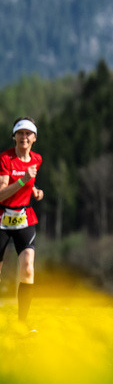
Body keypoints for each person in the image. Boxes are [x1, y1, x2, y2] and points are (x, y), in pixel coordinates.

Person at [0, 118, 45, 330]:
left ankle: (22, 324)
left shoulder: (37, 159)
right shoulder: (5, 159)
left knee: (28, 268)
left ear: (34, 138)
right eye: (20, 133)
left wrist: (34, 190)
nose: (24, 137)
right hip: (1, 218)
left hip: (24, 218)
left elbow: (30, 180)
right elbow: (1, 195)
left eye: (28, 134)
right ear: (14, 136)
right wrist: (22, 181)